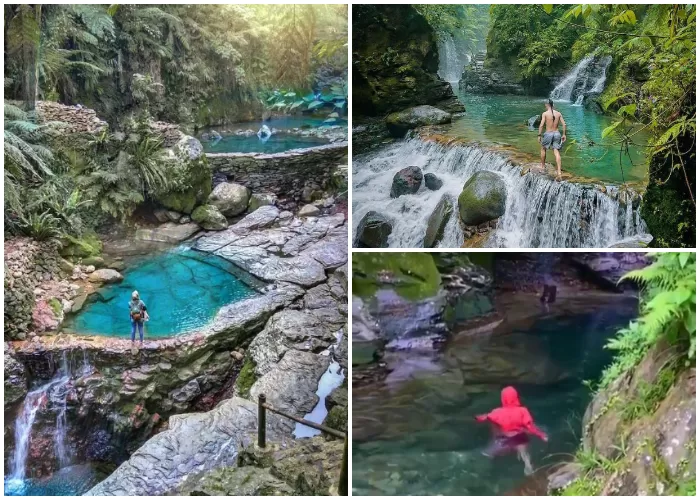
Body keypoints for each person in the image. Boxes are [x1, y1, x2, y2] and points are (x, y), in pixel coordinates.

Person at [475, 386, 548, 476]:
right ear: (516, 397)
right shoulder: (523, 411)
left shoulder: (497, 412)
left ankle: (487, 468)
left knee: (487, 453)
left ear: (503, 398)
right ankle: (528, 466)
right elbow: (530, 427)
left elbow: (485, 417)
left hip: (505, 439)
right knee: (524, 452)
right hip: (520, 437)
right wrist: (541, 435)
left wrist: (477, 418)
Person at [538, 99, 567, 180]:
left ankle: (543, 166)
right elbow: (564, 124)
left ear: (547, 105)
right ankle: (559, 171)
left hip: (548, 133)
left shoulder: (545, 114)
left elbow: (541, 125)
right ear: (553, 105)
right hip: (557, 134)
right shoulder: (558, 113)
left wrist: (539, 135)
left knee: (543, 149)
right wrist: (564, 134)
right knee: (556, 151)